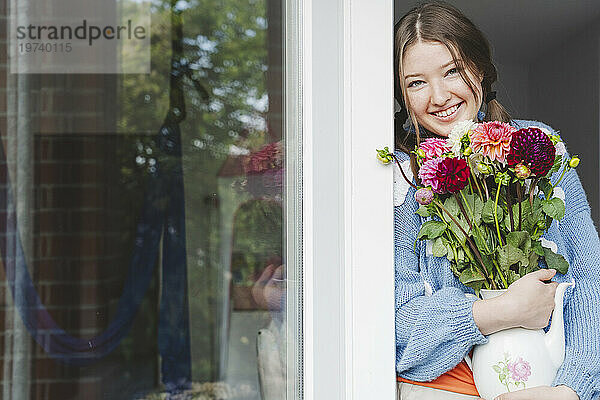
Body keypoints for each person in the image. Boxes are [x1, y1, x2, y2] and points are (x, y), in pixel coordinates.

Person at [393, 2, 600, 400]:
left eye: (452, 70)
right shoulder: (401, 179)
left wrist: (574, 389)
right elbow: (394, 334)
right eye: (416, 82)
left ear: (480, 68)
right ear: (401, 95)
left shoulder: (537, 145)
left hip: (547, 386)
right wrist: (496, 312)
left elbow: (588, 276)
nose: (439, 96)